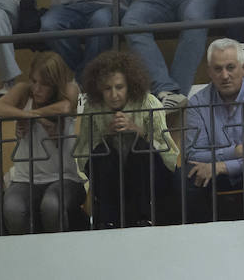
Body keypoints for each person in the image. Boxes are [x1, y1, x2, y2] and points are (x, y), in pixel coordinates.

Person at [75, 49, 179, 229]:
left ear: (130, 85)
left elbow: (167, 153)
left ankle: (145, 219)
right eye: (107, 89)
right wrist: (105, 137)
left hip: (149, 172)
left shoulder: (149, 102)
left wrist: (139, 132)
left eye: (119, 87)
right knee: (102, 153)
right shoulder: (93, 108)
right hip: (111, 173)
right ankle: (107, 222)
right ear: (99, 89)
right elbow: (84, 155)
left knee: (139, 149)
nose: (114, 94)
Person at [182, 39, 244, 221]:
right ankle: (199, 237)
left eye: (230, 67)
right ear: (209, 72)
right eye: (218, 69)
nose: (225, 75)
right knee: (186, 174)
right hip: (213, 173)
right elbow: (194, 154)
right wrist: (238, 150)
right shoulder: (197, 103)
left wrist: (223, 166)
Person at [0, 51, 85, 234]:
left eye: (44, 84)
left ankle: (58, 256)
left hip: (64, 178)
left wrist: (32, 116)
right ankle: (25, 257)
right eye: (34, 81)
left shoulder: (69, 89)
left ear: (56, 84)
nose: (36, 89)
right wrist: (27, 115)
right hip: (25, 178)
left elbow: (65, 107)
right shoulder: (23, 90)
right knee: (11, 207)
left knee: (51, 204)